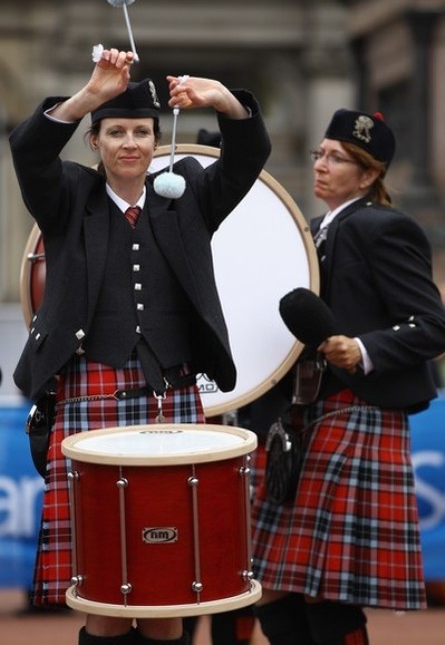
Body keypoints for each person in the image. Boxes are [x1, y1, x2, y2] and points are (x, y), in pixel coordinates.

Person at [9, 47, 271, 645]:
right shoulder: (67, 198)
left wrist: (224, 99)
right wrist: (91, 95)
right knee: (102, 592)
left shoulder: (191, 196)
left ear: (159, 140)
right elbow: (28, 148)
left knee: (167, 588)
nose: (131, 142)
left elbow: (249, 153)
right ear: (94, 142)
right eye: (117, 131)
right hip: (88, 398)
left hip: (170, 403)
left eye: (143, 132)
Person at [250, 108, 445, 645]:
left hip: (357, 411)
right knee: (273, 587)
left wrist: (362, 348)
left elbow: (433, 325)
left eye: (338, 159)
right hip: (304, 416)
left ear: (369, 174)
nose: (321, 166)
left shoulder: (386, 227)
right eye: (320, 154)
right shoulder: (310, 230)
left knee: (323, 591)